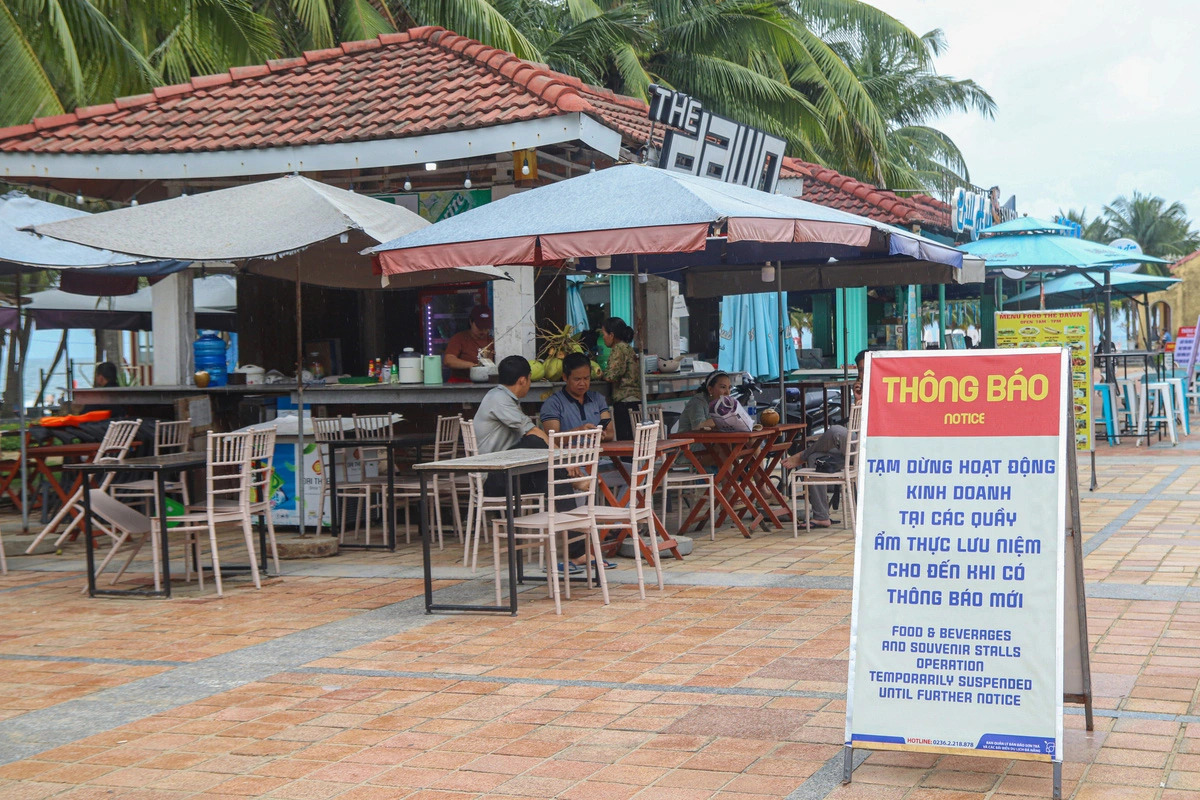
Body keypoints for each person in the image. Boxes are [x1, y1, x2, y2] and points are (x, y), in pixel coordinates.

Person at [783, 350, 867, 527]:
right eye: (860, 370)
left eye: (866, 369)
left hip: (870, 448)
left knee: (836, 430)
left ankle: (802, 455)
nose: (862, 374)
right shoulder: (862, 392)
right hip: (854, 447)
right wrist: (859, 398)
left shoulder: (885, 389)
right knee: (816, 458)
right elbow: (856, 427)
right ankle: (821, 516)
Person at [541, 353, 615, 442]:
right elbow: (552, 439)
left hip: (598, 454)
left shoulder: (597, 399)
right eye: (577, 379)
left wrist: (599, 435)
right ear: (565, 377)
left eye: (586, 378)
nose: (582, 383)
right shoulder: (553, 404)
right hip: (567, 455)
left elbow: (610, 433)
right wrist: (579, 432)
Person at [601, 317, 641, 439]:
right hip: (634, 400)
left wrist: (601, 374)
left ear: (611, 335)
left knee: (626, 442)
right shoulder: (628, 348)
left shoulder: (619, 348)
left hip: (625, 402)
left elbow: (612, 375)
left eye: (604, 334)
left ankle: (626, 459)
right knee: (633, 442)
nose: (603, 338)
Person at [442, 305, 494, 382]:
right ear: (471, 322)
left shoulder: (492, 341)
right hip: (460, 383)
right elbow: (448, 360)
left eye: (486, 328)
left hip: (486, 382)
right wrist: (472, 366)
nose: (483, 331)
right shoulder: (459, 338)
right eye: (479, 327)